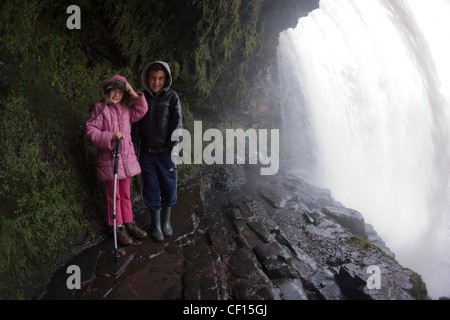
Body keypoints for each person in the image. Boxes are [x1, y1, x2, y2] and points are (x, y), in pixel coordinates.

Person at [86, 74, 149, 246]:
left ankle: (129, 222)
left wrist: (131, 91)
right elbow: (91, 130)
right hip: (110, 160)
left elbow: (142, 109)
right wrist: (110, 137)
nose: (116, 94)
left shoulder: (126, 109)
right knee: (114, 196)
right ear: (107, 91)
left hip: (126, 159)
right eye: (113, 90)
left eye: (120, 92)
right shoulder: (100, 108)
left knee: (126, 194)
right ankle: (118, 226)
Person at [131, 61, 182, 242]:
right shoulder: (141, 97)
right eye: (153, 78)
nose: (156, 82)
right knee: (151, 186)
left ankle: (166, 222)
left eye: (160, 78)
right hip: (147, 153)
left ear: (166, 79)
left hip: (166, 153)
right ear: (147, 78)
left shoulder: (172, 97)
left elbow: (177, 124)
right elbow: (135, 126)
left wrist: (173, 148)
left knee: (168, 185)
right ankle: (156, 224)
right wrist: (134, 151)